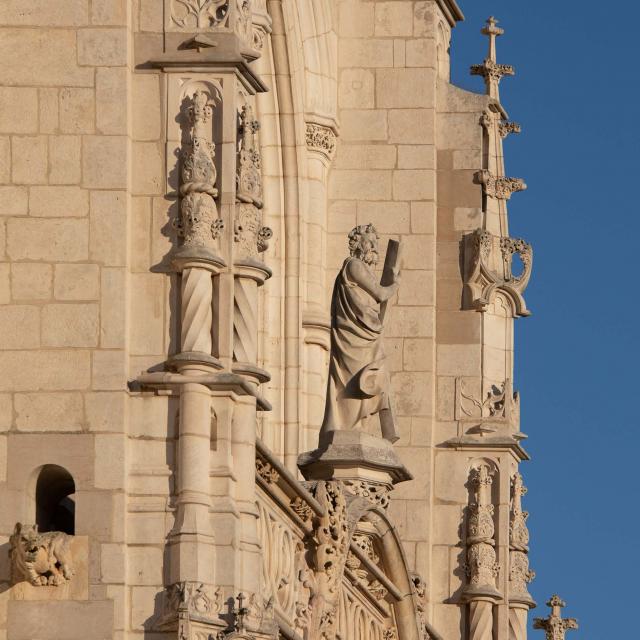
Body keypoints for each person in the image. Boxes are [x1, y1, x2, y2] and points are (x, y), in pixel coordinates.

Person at [320, 224, 400, 442]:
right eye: (369, 240)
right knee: (356, 382)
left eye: (375, 242)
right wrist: (395, 282)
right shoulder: (354, 266)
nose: (373, 246)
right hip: (353, 340)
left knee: (366, 382)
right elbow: (381, 293)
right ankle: (349, 428)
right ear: (357, 243)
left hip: (362, 336)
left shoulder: (358, 268)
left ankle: (358, 427)